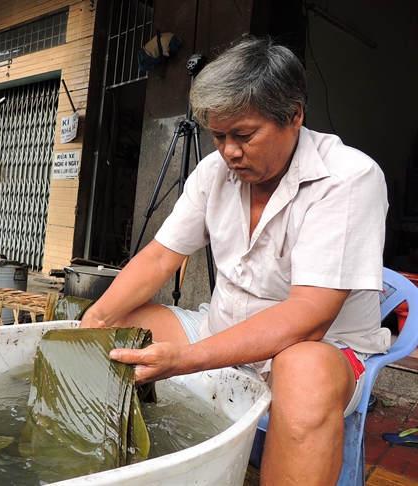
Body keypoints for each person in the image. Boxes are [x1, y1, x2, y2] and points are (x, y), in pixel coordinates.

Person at [80, 36, 389, 485]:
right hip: (219, 329)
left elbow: (309, 317)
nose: (229, 151)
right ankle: (117, 463)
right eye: (218, 136)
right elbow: (162, 255)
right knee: (117, 328)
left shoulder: (348, 178)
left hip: (320, 348)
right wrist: (96, 316)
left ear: (294, 116)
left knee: (305, 373)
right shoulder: (213, 173)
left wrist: (187, 358)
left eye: (244, 135)